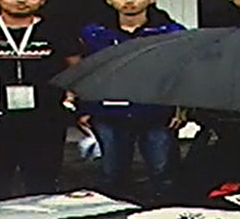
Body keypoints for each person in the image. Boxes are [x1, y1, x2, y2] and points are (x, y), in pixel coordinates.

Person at [73, 0, 185, 202]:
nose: (129, 1)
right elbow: (85, 72)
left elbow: (181, 73)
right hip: (108, 113)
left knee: (163, 172)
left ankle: (165, 212)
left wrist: (181, 109)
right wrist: (84, 108)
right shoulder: (93, 33)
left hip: (156, 113)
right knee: (111, 173)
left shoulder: (171, 32)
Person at [0, 0, 78, 199]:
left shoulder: (57, 30)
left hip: (46, 119)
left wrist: (71, 99)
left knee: (43, 183)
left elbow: (76, 68)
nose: (21, 1)